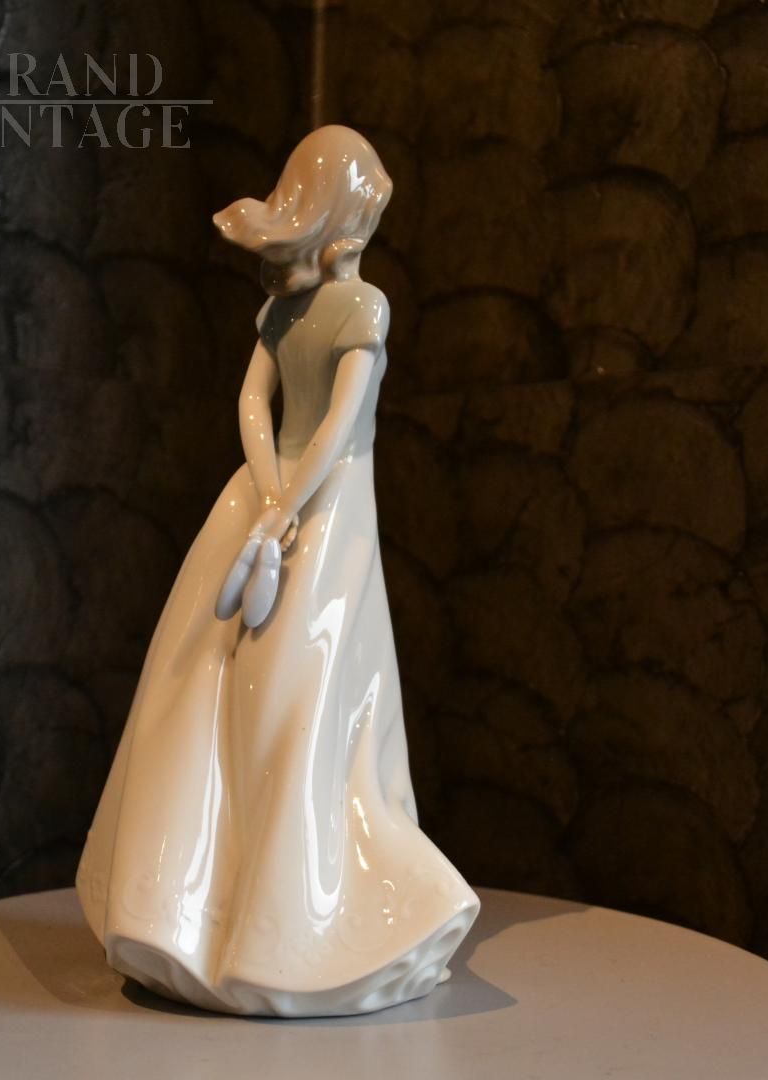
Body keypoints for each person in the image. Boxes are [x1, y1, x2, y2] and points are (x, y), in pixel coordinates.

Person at [76, 125, 479, 1017]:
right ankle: (289, 923)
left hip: (265, 501)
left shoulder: (284, 313)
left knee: (233, 679)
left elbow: (253, 406)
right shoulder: (361, 306)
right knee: (314, 690)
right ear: (346, 219)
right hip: (328, 507)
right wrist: (292, 504)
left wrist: (264, 494)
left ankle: (199, 908)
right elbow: (338, 424)